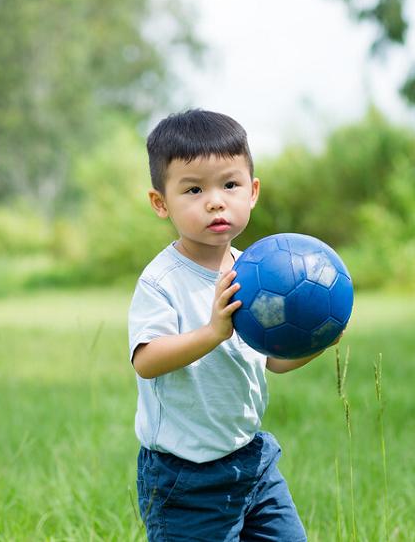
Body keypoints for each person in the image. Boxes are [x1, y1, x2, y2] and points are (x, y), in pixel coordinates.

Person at [128, 109, 340, 541]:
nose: (215, 201)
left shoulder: (261, 274)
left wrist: (319, 337)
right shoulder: (162, 281)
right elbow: (146, 361)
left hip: (251, 460)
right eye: (193, 189)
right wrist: (212, 332)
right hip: (184, 477)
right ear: (160, 202)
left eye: (230, 184)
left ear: (253, 191)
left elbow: (272, 362)